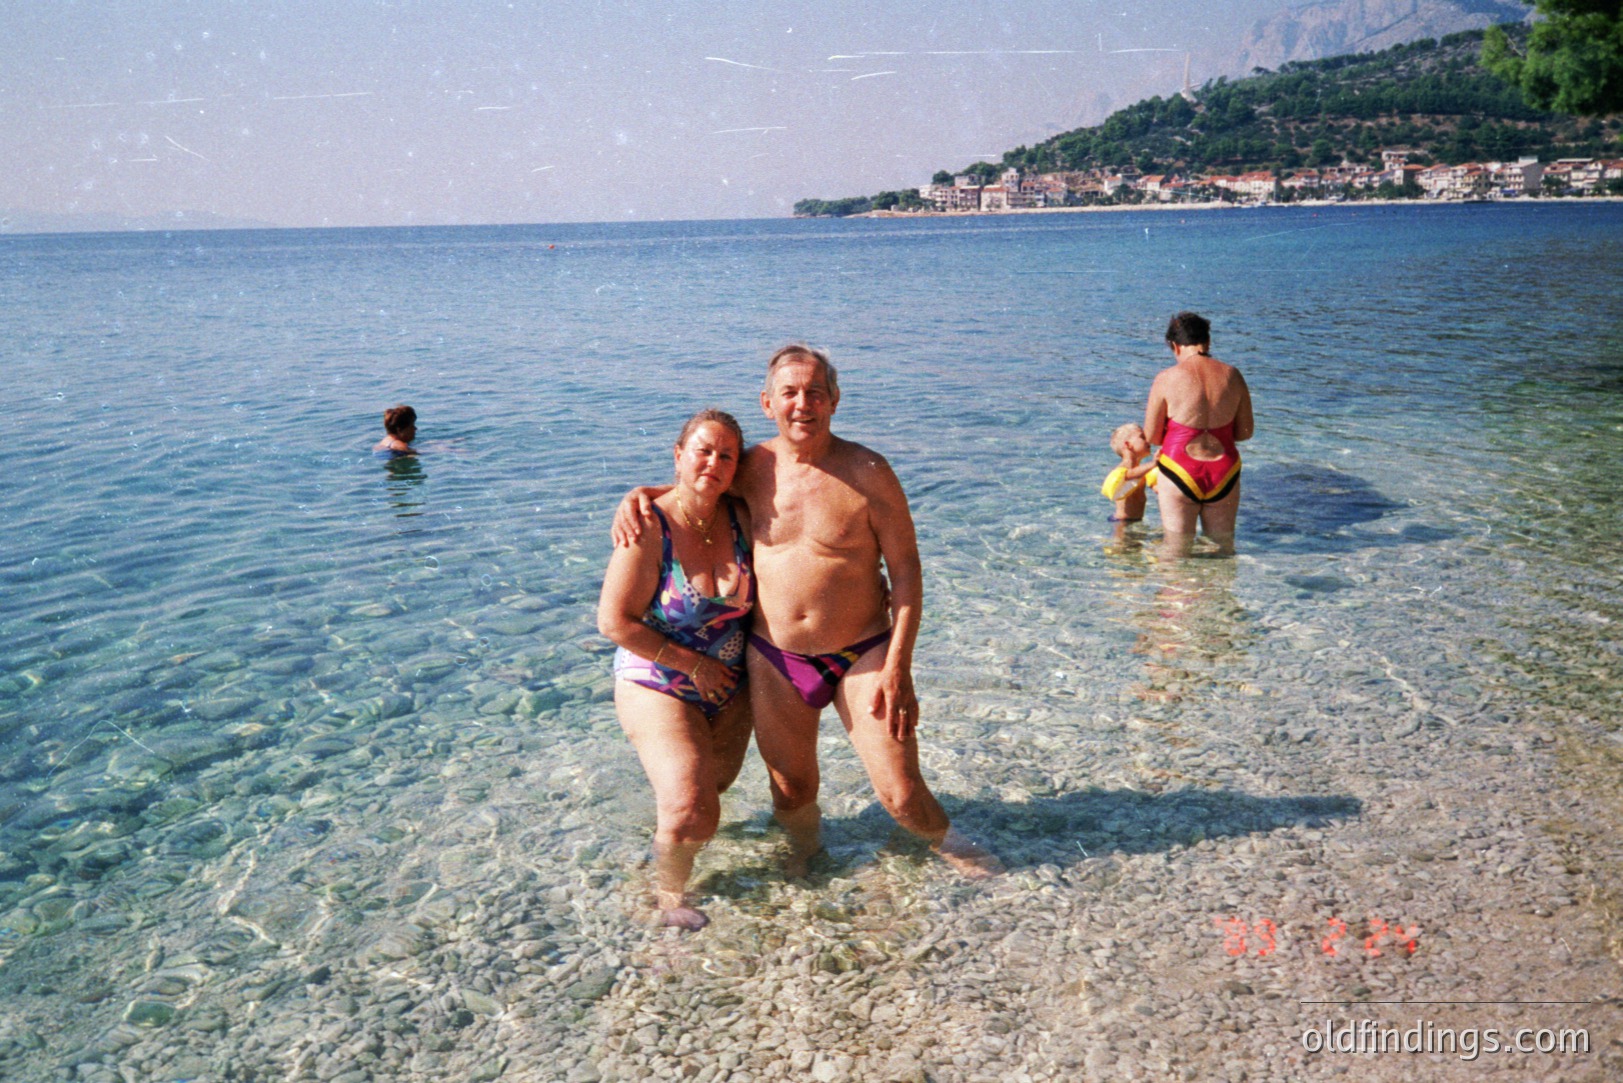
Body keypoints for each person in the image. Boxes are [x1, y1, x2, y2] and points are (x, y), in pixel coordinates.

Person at [614, 346, 999, 880]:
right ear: (767, 402)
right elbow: (696, 487)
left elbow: (907, 571)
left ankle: (952, 845)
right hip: (775, 657)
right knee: (792, 789)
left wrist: (899, 665)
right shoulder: (750, 467)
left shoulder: (868, 471)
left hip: (863, 651)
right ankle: (805, 854)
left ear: (835, 401)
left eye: (815, 392)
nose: (803, 404)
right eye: (789, 393)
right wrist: (638, 495)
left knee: (901, 792)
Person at [597, 409, 757, 930]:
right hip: (657, 676)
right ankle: (668, 903)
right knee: (692, 805)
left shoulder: (742, 516)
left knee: (712, 793)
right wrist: (692, 665)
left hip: (731, 685)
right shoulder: (647, 525)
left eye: (727, 454)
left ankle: (664, 838)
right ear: (678, 455)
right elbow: (614, 621)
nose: (714, 461)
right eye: (702, 450)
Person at [1144, 313, 1254, 553]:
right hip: (1224, 470)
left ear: (1174, 346)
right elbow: (1246, 432)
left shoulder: (1165, 378)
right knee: (1223, 551)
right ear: (1208, 342)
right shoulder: (1232, 375)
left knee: (1175, 553)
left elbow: (1151, 436)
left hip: (1178, 468)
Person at [1101, 422, 1158, 523]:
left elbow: (1157, 489)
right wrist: (1155, 463)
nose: (1148, 440)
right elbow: (1128, 475)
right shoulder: (1125, 468)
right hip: (1122, 522)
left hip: (1136, 520)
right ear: (1128, 445)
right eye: (1143, 437)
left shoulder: (1141, 470)